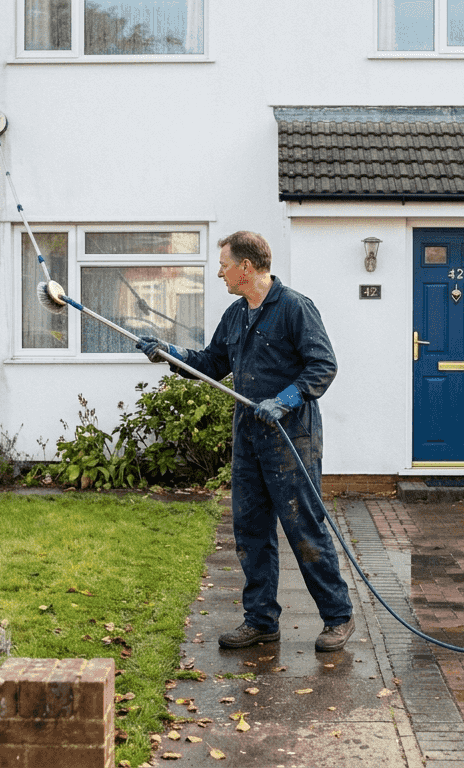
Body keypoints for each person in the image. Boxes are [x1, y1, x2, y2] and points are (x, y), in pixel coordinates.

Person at [136, 230, 354, 652]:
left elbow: (323, 365)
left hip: (292, 437)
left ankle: (337, 617)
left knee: (304, 527)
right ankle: (260, 621)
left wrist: (286, 399)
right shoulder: (236, 316)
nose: (219, 272)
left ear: (246, 268)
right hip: (249, 437)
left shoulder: (294, 308)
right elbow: (212, 363)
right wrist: (169, 353)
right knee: (250, 530)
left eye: (224, 264)